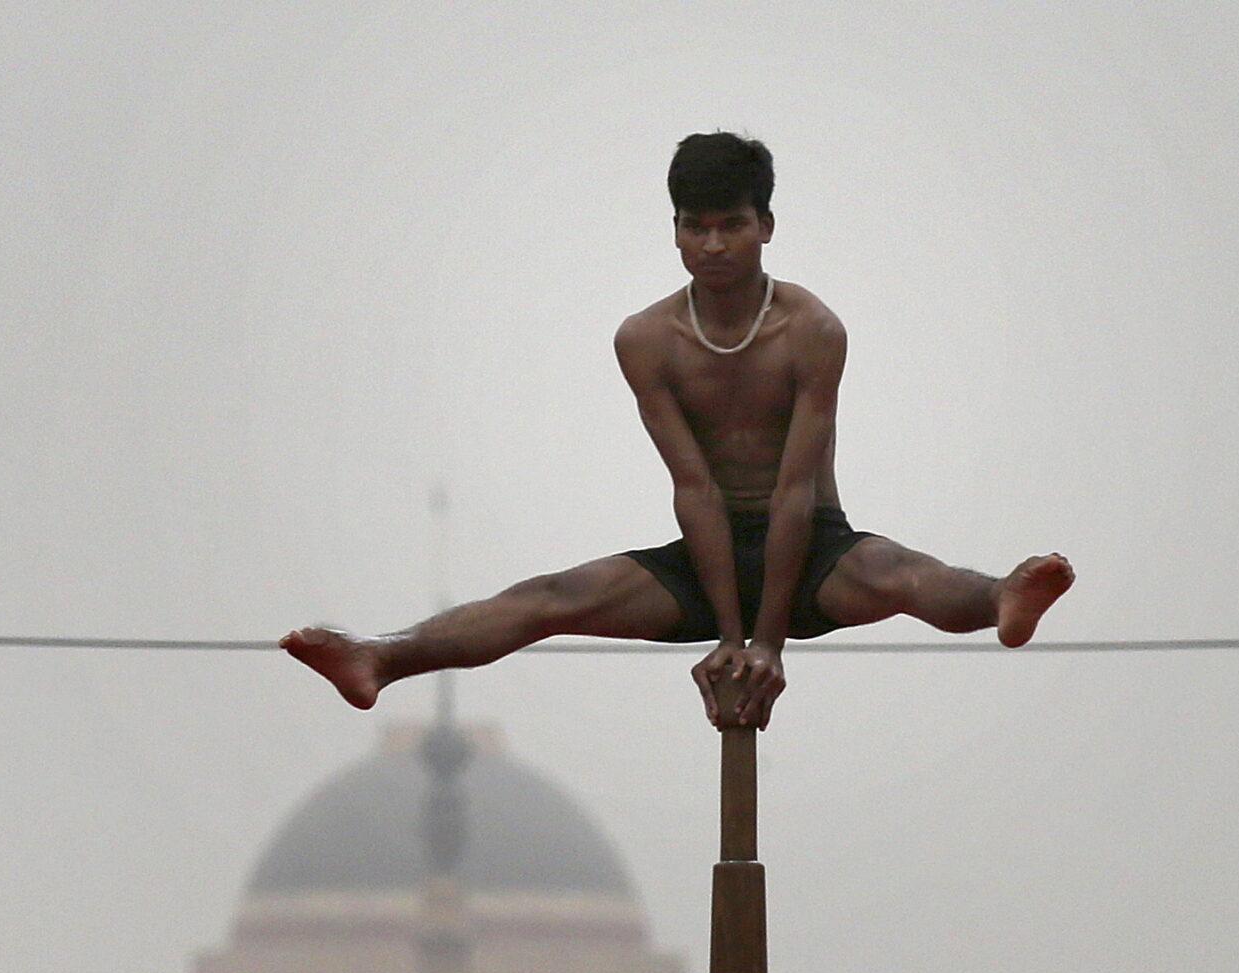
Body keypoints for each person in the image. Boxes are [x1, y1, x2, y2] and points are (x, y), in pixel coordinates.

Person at [282, 132, 1073, 729]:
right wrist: (729, 635)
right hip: (703, 557)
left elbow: (796, 488)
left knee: (897, 569)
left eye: (732, 224)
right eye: (695, 227)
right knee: (551, 595)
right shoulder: (647, 338)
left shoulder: (812, 329)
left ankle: (1002, 595)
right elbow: (693, 486)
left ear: (766, 223)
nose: (714, 245)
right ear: (675, 229)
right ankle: (380, 657)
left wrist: (769, 646)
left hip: (813, 552)